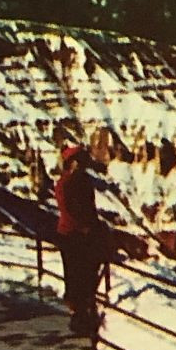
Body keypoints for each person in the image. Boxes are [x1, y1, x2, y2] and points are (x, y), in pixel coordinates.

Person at [54, 142, 109, 337]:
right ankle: (80, 317)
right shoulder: (70, 182)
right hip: (74, 234)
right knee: (78, 275)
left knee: (79, 274)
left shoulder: (73, 180)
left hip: (74, 233)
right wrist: (87, 227)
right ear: (74, 162)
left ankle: (82, 313)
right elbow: (73, 209)